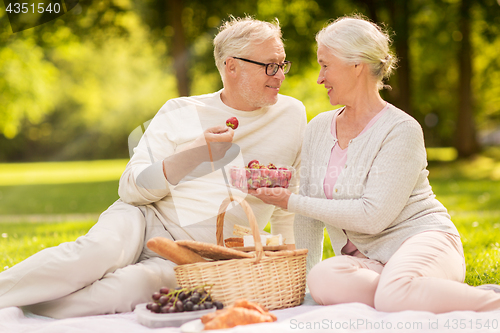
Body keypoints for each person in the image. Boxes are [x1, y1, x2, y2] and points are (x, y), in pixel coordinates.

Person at [0, 16, 307, 318]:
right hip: (143, 216)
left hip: (194, 257)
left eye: (282, 64)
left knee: (123, 290)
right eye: (269, 66)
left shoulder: (291, 115)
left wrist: (301, 279)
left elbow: (288, 204)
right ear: (231, 66)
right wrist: (195, 154)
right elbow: (131, 188)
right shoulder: (182, 110)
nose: (280, 75)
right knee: (94, 254)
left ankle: (25, 305)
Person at [251, 15, 500, 313]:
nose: (319, 77)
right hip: (372, 263)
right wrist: (302, 286)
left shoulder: (401, 130)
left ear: (356, 66)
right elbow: (309, 215)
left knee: (393, 294)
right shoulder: (318, 128)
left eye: (325, 65)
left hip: (423, 241)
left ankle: (489, 301)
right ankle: (413, 292)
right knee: (322, 280)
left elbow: (372, 217)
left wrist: (290, 201)